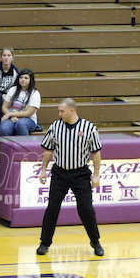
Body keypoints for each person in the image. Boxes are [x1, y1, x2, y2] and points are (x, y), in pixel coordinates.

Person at [37, 98, 105, 257]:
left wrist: (96, 175)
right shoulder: (55, 126)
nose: (59, 114)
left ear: (71, 110)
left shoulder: (88, 127)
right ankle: (44, 243)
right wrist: (43, 170)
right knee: (52, 208)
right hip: (59, 173)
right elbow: (48, 150)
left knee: (86, 209)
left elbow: (96, 152)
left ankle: (95, 241)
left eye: (62, 111)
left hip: (80, 174)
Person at [0, 68, 41, 136]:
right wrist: (12, 117)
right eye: (21, 77)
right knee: (4, 128)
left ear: (31, 80)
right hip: (11, 118)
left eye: (26, 78)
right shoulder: (12, 90)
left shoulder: (35, 93)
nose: (23, 80)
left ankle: (25, 143)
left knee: (20, 125)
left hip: (28, 119)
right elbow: (4, 107)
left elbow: (28, 113)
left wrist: (10, 114)